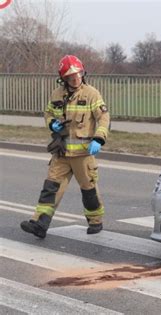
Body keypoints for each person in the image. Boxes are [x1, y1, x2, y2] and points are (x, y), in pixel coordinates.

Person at [20, 55, 110, 238]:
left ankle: (95, 221)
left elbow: (103, 118)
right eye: (71, 76)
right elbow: (48, 112)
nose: (76, 79)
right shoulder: (56, 94)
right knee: (51, 187)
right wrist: (52, 123)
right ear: (64, 79)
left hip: (83, 154)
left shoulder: (91, 93)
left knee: (88, 189)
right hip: (61, 152)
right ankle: (40, 223)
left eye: (78, 74)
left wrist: (99, 139)